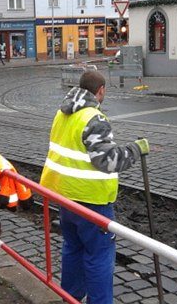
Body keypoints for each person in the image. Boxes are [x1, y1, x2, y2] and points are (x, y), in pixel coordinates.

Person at [40, 70, 149, 303]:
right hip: (92, 201)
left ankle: (70, 296)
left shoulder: (63, 113)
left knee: (73, 248)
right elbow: (108, 161)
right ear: (100, 90)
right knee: (99, 257)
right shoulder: (94, 118)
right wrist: (136, 149)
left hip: (63, 196)